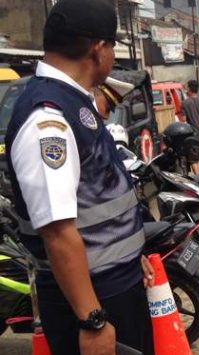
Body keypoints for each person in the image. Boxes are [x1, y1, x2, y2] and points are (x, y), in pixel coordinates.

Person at [4, 0, 155, 354]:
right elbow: (57, 231)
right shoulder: (49, 119)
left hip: (111, 286)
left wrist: (129, 251)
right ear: (97, 48)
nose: (114, 56)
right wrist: (92, 320)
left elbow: (96, 203)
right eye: (113, 46)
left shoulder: (74, 103)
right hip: (91, 301)